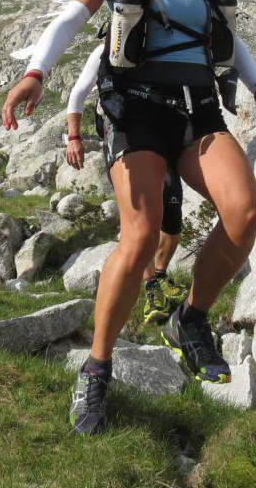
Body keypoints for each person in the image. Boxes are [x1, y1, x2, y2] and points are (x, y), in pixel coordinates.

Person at [2, 0, 256, 436]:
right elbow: (71, 19)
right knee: (141, 236)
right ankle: (97, 368)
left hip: (197, 108)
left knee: (245, 212)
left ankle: (191, 318)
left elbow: (227, 35)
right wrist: (36, 72)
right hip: (134, 110)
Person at [65, 43, 188, 325]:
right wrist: (74, 137)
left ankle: (159, 275)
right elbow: (78, 94)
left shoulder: (165, 45)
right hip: (122, 133)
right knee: (141, 221)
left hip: (161, 133)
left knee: (172, 217)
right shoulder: (108, 48)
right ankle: (150, 286)